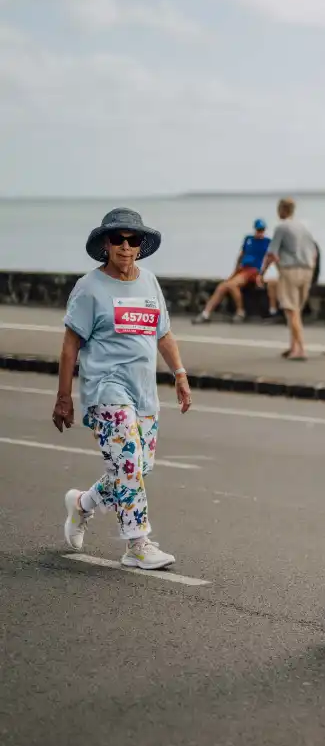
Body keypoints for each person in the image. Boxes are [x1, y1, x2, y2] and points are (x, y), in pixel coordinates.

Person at [54, 208, 192, 571]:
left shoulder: (149, 282)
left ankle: (82, 504)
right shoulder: (89, 288)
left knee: (135, 467)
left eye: (133, 240)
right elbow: (70, 345)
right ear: (105, 244)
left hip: (143, 391)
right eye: (118, 239)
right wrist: (64, 397)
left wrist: (179, 373)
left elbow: (162, 333)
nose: (126, 246)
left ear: (141, 245)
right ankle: (137, 544)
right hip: (106, 390)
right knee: (128, 463)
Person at [262, 198, 317, 362]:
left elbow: (272, 253)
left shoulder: (281, 227)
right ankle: (293, 345)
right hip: (307, 270)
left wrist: (262, 272)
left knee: (291, 310)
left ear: (281, 210)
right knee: (296, 310)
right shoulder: (304, 227)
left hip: (290, 271)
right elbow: (314, 252)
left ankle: (300, 349)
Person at [194, 218, 275, 323]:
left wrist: (261, 274)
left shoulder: (267, 242)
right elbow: (241, 256)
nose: (260, 232)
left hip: (253, 270)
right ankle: (206, 313)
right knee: (222, 286)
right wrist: (234, 272)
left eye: (262, 230)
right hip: (242, 269)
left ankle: (240, 312)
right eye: (258, 230)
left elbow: (270, 259)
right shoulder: (248, 239)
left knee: (232, 285)